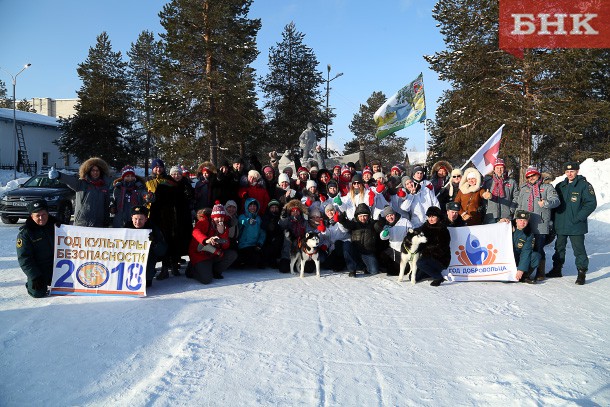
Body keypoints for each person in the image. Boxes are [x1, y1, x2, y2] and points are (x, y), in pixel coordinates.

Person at [547, 162, 597, 285]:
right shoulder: (560, 186)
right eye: (567, 171)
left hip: (576, 225)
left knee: (579, 249)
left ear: (577, 171)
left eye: (572, 171)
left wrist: (578, 218)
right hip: (561, 224)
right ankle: (557, 269)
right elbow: (554, 204)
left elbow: (591, 203)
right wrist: (552, 220)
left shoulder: (584, 186)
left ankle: (581, 272)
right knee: (559, 248)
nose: (570, 174)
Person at [513, 165, 560, 281]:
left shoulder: (547, 187)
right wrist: (515, 221)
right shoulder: (524, 188)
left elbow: (556, 201)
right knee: (524, 247)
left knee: (539, 248)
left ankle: (540, 272)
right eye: (528, 176)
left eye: (533, 175)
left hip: (540, 224)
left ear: (538, 175)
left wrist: (546, 203)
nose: (531, 178)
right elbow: (518, 206)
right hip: (525, 224)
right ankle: (523, 270)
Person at [48, 157, 111, 227]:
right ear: (89, 171)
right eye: (93, 170)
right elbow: (69, 180)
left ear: (101, 172)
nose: (95, 172)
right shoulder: (81, 184)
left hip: (98, 223)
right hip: (82, 223)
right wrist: (59, 175)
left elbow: (106, 206)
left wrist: (106, 222)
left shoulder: (104, 186)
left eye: (97, 170)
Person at [188, 201, 237, 283]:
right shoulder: (204, 222)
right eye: (217, 217)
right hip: (200, 254)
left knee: (232, 255)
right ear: (213, 217)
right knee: (206, 280)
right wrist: (206, 240)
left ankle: (214, 271)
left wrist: (222, 233)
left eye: (222, 217)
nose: (220, 219)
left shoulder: (224, 226)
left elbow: (226, 246)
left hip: (213, 254)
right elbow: (195, 232)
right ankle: (191, 270)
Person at [16, 200, 56, 298]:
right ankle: (31, 282)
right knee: (37, 293)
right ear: (31, 216)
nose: (41, 218)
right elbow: (24, 258)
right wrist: (34, 276)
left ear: (48, 213)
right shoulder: (25, 234)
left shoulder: (57, 226)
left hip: (58, 266)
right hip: (40, 269)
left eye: (44, 214)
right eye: (37, 216)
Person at [125, 206, 167, 287]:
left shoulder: (153, 229)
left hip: (147, 265)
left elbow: (162, 251)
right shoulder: (126, 228)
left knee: (146, 284)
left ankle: (148, 275)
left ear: (146, 219)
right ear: (132, 218)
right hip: (129, 262)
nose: (137, 222)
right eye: (135, 219)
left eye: (141, 219)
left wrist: (155, 242)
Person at [338, 203, 379, 277]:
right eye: (360, 216)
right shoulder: (354, 224)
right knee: (346, 244)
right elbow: (346, 223)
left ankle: (362, 266)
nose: (362, 218)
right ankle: (352, 270)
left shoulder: (372, 224)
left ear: (368, 216)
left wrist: (381, 221)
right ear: (357, 217)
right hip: (356, 251)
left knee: (374, 271)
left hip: (367, 252)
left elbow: (378, 226)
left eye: (365, 216)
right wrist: (342, 219)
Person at [415, 206, 451, 286]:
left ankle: (438, 277)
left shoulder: (443, 229)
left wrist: (427, 251)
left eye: (433, 217)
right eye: (429, 217)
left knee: (420, 263)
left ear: (438, 217)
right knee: (413, 278)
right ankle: (431, 272)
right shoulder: (426, 225)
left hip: (440, 260)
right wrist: (413, 232)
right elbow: (418, 230)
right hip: (427, 258)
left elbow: (443, 248)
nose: (430, 219)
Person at [376, 205, 413, 276]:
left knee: (398, 271)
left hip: (405, 250)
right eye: (387, 216)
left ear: (394, 214)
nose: (390, 217)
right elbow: (383, 237)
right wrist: (384, 234)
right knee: (384, 255)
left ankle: (405, 268)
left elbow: (412, 232)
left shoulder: (405, 221)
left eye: (391, 215)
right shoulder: (387, 226)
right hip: (394, 250)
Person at [481, 158, 517, 224]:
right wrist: (487, 208)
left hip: (506, 216)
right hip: (491, 215)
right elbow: (483, 196)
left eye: (501, 168)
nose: (499, 170)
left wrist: (511, 210)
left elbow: (516, 197)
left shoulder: (511, 182)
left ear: (504, 169)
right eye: (497, 168)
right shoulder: (488, 182)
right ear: (494, 170)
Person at [236, 198, 266, 268]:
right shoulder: (242, 216)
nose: (252, 207)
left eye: (254, 206)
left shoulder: (258, 218)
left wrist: (260, 243)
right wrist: (248, 221)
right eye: (250, 206)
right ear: (247, 207)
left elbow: (262, 232)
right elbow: (242, 221)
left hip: (255, 245)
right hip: (244, 245)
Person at [512, 210, 539, 284]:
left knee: (535, 256)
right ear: (516, 220)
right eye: (520, 220)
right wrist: (500, 221)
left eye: (525, 220)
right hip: (507, 258)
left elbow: (526, 251)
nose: (522, 223)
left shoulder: (529, 234)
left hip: (519, 258)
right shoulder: (507, 227)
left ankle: (524, 276)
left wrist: (521, 269)